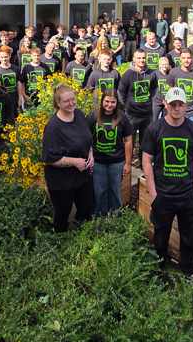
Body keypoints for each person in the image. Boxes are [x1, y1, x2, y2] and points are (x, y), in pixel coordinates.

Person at [141, 87, 193, 278]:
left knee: (189, 240)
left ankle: (188, 273)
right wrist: (153, 193)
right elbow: (146, 160)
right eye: (172, 104)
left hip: (188, 196)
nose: (176, 108)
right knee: (160, 239)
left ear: (186, 105)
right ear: (165, 104)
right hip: (163, 196)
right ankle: (158, 273)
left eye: (180, 104)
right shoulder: (155, 128)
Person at [41, 83, 95, 232]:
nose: (71, 103)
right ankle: (61, 240)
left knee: (87, 207)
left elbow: (87, 139)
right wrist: (74, 161)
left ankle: (79, 236)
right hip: (62, 180)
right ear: (58, 103)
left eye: (73, 99)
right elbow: (49, 158)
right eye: (66, 101)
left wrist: (90, 153)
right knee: (62, 213)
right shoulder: (53, 127)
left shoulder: (79, 114)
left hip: (81, 175)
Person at [87, 90, 133, 216]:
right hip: (98, 162)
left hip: (117, 162)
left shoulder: (122, 117)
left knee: (115, 192)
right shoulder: (94, 116)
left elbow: (128, 141)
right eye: (107, 101)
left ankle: (115, 220)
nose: (109, 105)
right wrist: (89, 158)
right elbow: (87, 139)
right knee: (99, 192)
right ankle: (101, 220)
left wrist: (128, 163)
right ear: (102, 101)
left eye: (113, 102)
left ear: (117, 103)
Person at [118, 48, 157, 160]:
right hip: (132, 114)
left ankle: (144, 164)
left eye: (143, 58)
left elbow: (153, 90)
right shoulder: (127, 75)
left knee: (146, 142)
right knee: (129, 141)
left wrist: (146, 102)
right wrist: (128, 104)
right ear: (133, 59)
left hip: (147, 114)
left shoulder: (152, 73)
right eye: (139, 58)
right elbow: (121, 93)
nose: (141, 60)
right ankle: (127, 164)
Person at [168, 47, 193, 124]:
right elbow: (171, 89)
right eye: (184, 58)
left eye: (188, 58)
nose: (186, 60)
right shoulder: (173, 72)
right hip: (177, 111)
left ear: (192, 58)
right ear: (180, 59)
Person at [0, 46, 21, 117]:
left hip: (14, 100)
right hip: (3, 101)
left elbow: (18, 83)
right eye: (2, 57)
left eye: (6, 57)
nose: (4, 59)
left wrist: (20, 98)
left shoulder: (15, 68)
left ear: (10, 56)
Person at [152, 56, 171, 121]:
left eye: (166, 64)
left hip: (167, 101)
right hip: (156, 101)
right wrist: (161, 99)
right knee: (153, 120)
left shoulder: (170, 74)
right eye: (162, 64)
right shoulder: (155, 74)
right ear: (159, 65)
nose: (164, 66)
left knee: (165, 120)